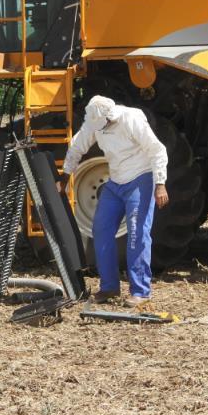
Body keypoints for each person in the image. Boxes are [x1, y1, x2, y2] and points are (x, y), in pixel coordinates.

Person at [59, 95, 169, 307]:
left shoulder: (132, 118)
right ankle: (109, 287)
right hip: (116, 181)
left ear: (109, 117)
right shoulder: (94, 121)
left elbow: (157, 150)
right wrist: (64, 178)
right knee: (100, 231)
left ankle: (141, 291)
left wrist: (160, 184)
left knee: (137, 235)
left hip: (141, 179)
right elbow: (77, 147)